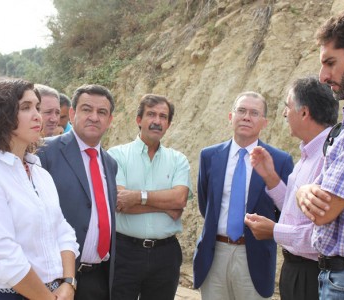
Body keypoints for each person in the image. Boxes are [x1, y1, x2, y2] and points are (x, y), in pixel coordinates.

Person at [0, 79, 80, 299]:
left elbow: (62, 231)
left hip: (53, 291)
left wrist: (69, 283)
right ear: (1, 116)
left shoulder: (38, 172)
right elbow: (2, 255)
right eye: (25, 107)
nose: (37, 116)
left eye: (36, 107)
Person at [244, 76, 338, 300]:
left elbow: (326, 235)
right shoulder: (309, 153)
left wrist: (274, 231)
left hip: (313, 274)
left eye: (288, 107)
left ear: (304, 113)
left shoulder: (330, 155)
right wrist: (271, 178)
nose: (285, 114)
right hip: (296, 270)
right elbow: (299, 210)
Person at [193, 91, 294, 300]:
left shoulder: (279, 160)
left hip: (254, 256)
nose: (247, 117)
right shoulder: (209, 156)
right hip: (215, 254)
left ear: (264, 122)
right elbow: (206, 205)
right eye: (241, 111)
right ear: (231, 117)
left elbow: (285, 209)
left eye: (254, 113)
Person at [296, 10, 344, 299]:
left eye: (330, 63)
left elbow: (323, 211)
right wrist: (305, 191)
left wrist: (304, 191)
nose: (323, 76)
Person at [108, 94, 193, 300]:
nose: (157, 121)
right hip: (124, 252)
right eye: (151, 114)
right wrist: (165, 205)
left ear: (169, 124)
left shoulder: (178, 160)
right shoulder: (116, 155)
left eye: (163, 116)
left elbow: (180, 200)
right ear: (139, 120)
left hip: (165, 254)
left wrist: (137, 197)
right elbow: (120, 202)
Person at [38, 84, 117, 300]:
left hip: (100, 278)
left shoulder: (110, 163)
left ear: (110, 120)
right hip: (58, 279)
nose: (94, 117)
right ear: (72, 114)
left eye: (102, 112)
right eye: (86, 109)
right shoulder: (44, 152)